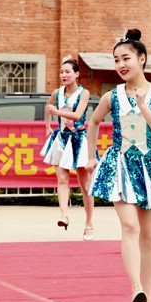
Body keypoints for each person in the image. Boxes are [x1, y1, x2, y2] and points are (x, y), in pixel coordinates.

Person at [86, 28, 151, 302]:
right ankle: (136, 288)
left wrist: (142, 106)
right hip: (120, 166)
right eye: (116, 60)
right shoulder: (111, 95)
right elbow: (93, 122)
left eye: (126, 58)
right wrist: (91, 156)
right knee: (130, 226)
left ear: (141, 59)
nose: (121, 64)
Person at [41, 56, 94, 240]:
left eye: (67, 72)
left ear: (76, 74)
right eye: (61, 72)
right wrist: (48, 126)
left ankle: (89, 224)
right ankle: (64, 215)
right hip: (62, 139)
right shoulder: (58, 92)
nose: (64, 75)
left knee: (85, 185)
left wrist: (57, 112)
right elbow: (48, 106)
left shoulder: (83, 93)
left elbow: (78, 115)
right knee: (62, 179)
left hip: (79, 139)